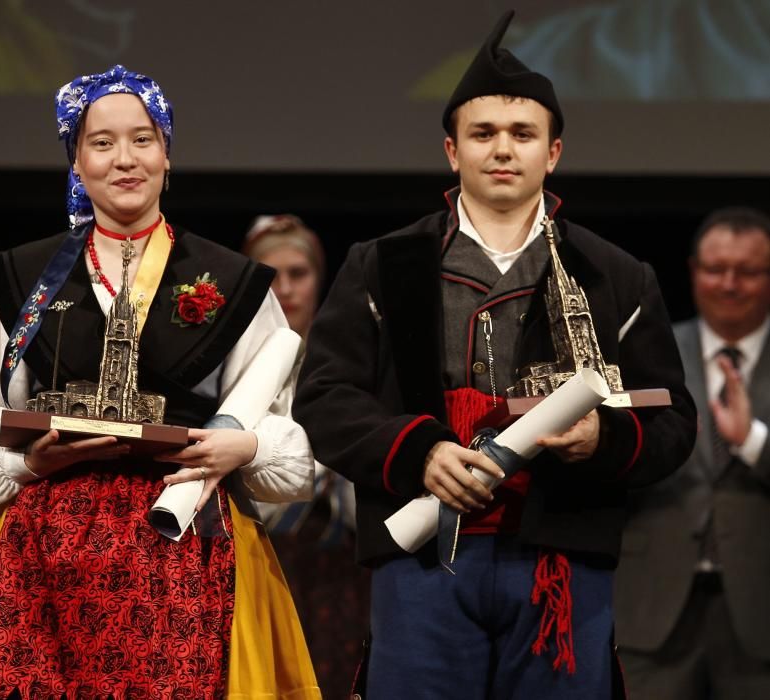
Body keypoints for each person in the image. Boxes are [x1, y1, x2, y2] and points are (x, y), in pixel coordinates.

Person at [293, 10, 697, 699]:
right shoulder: (383, 265)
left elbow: (672, 423)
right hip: (422, 557)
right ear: (451, 150)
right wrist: (419, 450)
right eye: (482, 134)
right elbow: (326, 398)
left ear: (553, 151)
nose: (501, 149)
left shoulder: (615, 274)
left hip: (561, 561)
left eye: (521, 134)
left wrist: (601, 435)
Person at [0, 65, 320, 699]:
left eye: (143, 139)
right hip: (42, 559)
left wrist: (246, 447)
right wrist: (26, 464)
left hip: (185, 554)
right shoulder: (22, 280)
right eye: (102, 143)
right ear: (76, 162)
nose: (125, 160)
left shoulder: (232, 282)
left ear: (167, 155)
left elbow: (285, 444)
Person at [615, 207, 770, 700]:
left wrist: (750, 441)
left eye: (746, 271)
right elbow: (611, 467)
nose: (729, 284)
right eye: (714, 269)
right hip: (652, 600)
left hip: (761, 606)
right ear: (692, 272)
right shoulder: (647, 354)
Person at [242, 214, 369, 699]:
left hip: (344, 560)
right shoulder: (230, 366)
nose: (286, 289)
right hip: (266, 552)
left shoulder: (350, 359)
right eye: (270, 276)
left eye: (299, 273)